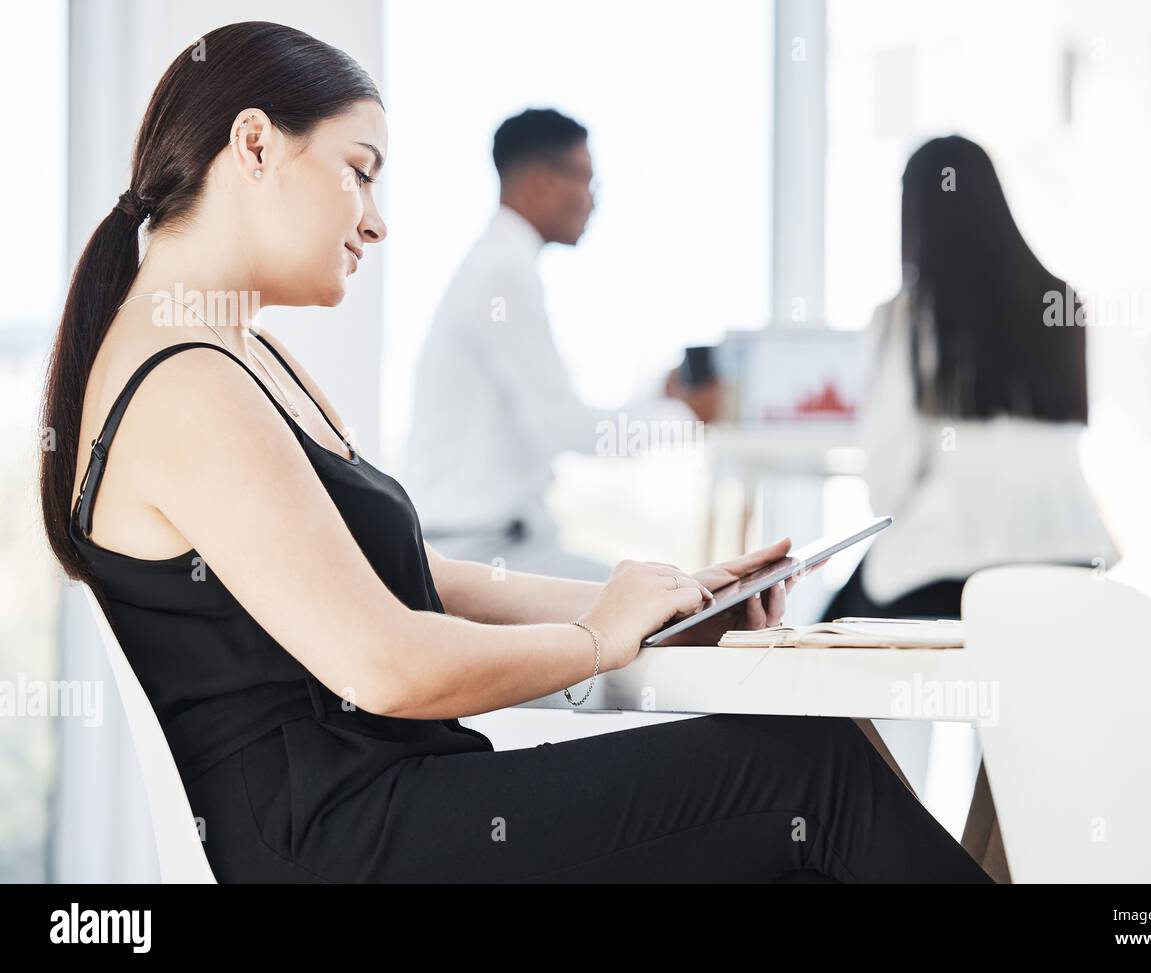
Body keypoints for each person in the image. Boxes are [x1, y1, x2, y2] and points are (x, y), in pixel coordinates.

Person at [39, 22, 990, 883]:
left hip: (391, 808)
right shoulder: (184, 382)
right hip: (345, 842)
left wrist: (664, 602)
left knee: (799, 788)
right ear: (254, 145)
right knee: (806, 772)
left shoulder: (239, 354)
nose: (376, 218)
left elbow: (420, 577)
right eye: (359, 170)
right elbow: (386, 665)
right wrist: (596, 640)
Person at [402, 108, 717, 582]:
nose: (593, 199)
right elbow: (567, 429)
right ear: (539, 182)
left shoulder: (498, 266)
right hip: (481, 553)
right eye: (584, 178)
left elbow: (558, 419)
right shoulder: (502, 277)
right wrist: (685, 418)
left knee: (660, 598)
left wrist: (662, 398)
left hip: (492, 545)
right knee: (667, 608)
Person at [822, 135, 1120, 624]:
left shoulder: (909, 318)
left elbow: (887, 482)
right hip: (1070, 568)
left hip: (939, 579)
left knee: (818, 654)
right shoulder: (1063, 305)